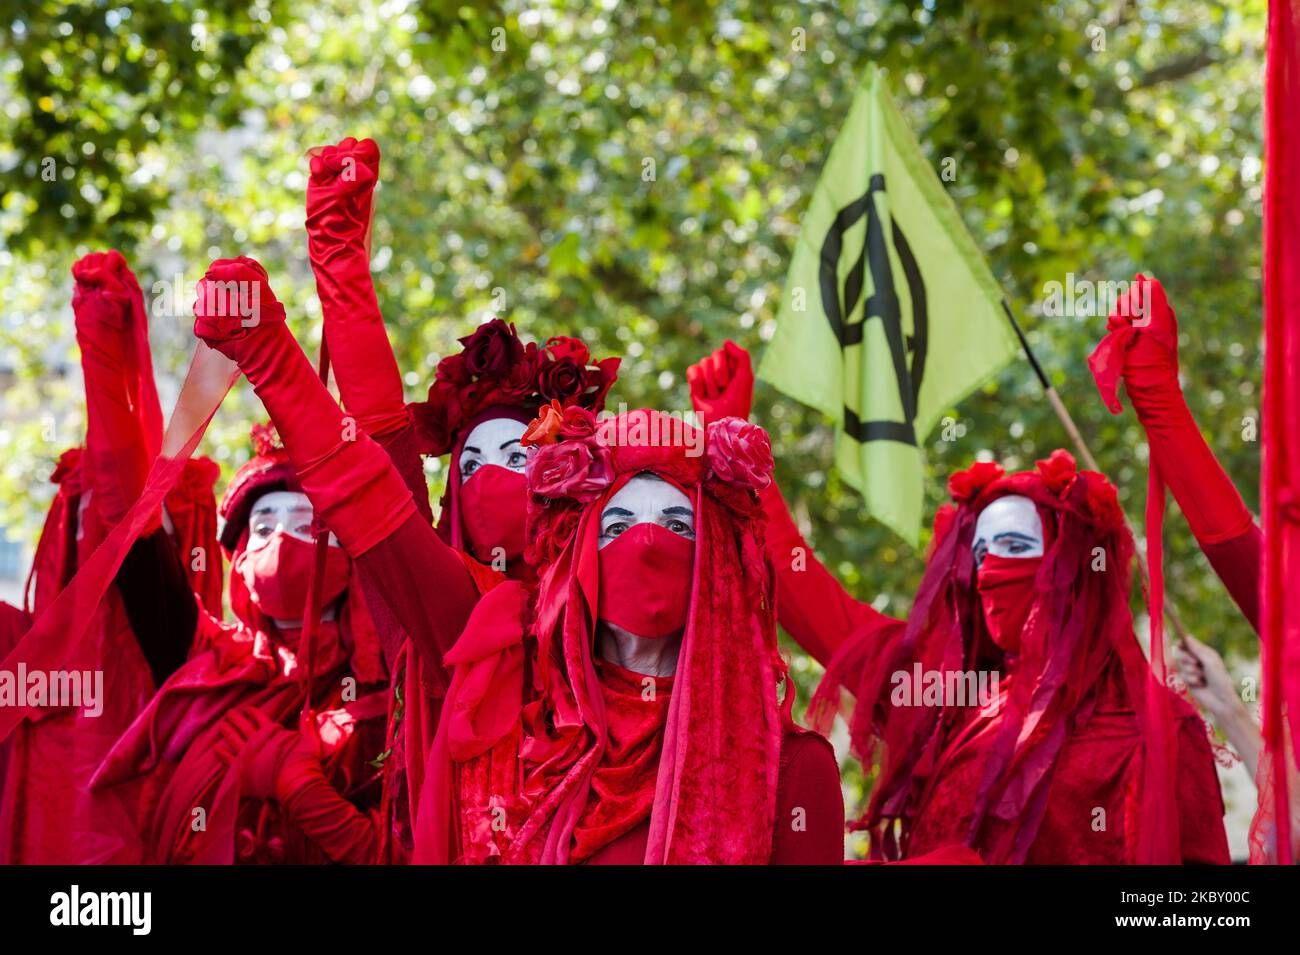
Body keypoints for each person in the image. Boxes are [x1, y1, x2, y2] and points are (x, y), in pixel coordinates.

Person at [687, 341, 1229, 864]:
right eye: (980, 550)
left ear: (1076, 569)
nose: (990, 569)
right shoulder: (941, 695)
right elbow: (808, 594)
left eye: (1015, 547)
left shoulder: (1162, 731)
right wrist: (730, 444)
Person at [303, 139, 620, 857]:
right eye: (468, 464)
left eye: (515, 456)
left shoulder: (608, 604)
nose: (488, 480)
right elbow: (379, 436)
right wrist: (338, 252)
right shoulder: (428, 602)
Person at [410, 406, 844, 864]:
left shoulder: (792, 769)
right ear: (579, 561)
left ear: (717, 562)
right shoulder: (527, 744)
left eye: (677, 526)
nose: (648, 544)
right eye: (617, 527)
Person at [1, 251, 220, 864]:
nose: (93, 536)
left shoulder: (170, 639)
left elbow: (125, 509)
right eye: (79, 514)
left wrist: (106, 345)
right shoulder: (27, 646)